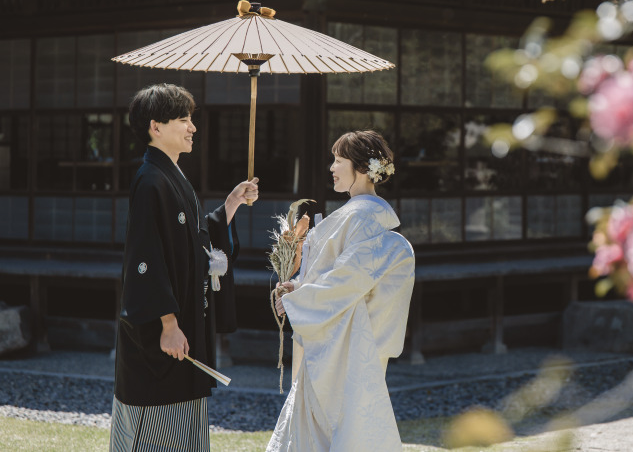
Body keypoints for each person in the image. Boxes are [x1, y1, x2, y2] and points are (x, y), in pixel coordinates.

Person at [109, 83, 259, 452]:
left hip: (182, 324)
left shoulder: (171, 176)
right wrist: (168, 324)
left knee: (183, 423)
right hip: (163, 330)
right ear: (155, 127)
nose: (193, 127)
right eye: (183, 120)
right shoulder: (150, 180)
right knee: (156, 427)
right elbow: (146, 258)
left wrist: (230, 204)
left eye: (191, 119)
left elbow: (193, 239)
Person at [267, 130, 415, 452]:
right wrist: (298, 288)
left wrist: (297, 301)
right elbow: (338, 275)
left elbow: (348, 280)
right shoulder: (361, 215)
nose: (332, 168)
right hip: (339, 332)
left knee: (330, 425)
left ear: (361, 167)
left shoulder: (361, 216)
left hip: (342, 339)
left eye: (338, 160)